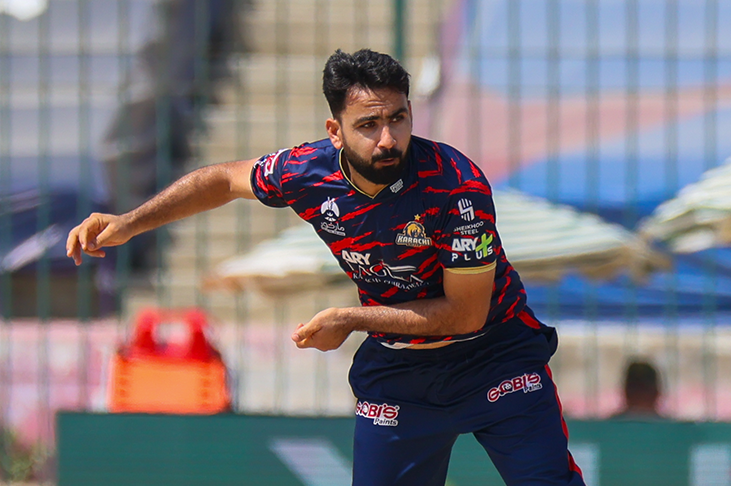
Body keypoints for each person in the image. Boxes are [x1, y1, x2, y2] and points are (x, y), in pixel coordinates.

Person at [67, 49, 586, 486]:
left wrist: (350, 319)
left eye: (398, 119)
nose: (388, 139)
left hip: (495, 356)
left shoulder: (455, 185)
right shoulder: (306, 171)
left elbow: (465, 315)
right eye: (368, 125)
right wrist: (130, 222)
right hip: (400, 372)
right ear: (334, 131)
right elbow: (223, 179)